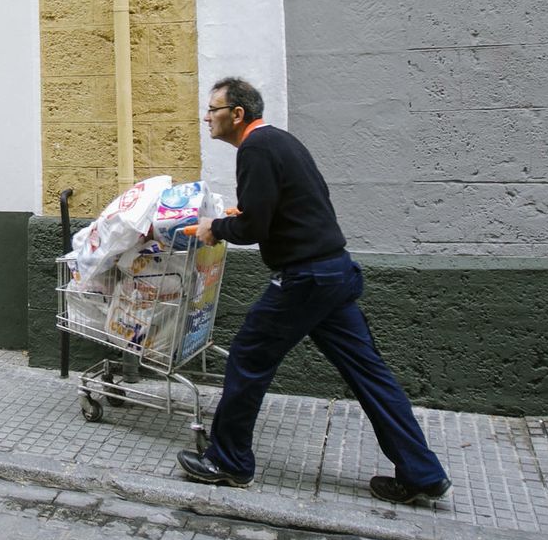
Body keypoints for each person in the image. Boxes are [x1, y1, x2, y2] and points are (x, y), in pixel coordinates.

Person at [176, 77, 452, 505]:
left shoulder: (255, 149)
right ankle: (423, 473)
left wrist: (217, 228)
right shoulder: (281, 143)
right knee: (369, 373)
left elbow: (255, 227)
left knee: (248, 356)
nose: (206, 117)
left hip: (305, 279)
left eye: (213, 109)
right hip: (335, 272)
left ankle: (229, 462)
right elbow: (291, 205)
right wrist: (243, 213)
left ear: (237, 114)